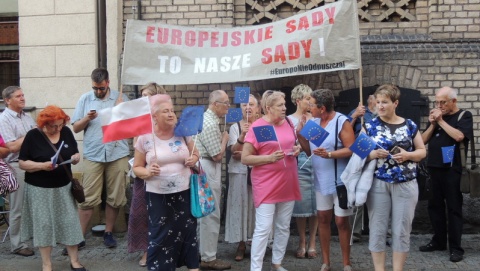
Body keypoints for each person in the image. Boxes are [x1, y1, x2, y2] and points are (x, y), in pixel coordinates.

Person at [133, 94, 200, 271]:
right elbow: (137, 167)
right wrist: (147, 172)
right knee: (160, 234)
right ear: (154, 116)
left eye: (172, 111)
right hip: (157, 196)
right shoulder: (144, 138)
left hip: (184, 193)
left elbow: (195, 152)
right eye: (165, 111)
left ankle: (193, 267)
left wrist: (193, 159)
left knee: (187, 232)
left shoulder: (182, 132)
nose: (171, 114)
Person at [363, 84, 426, 271]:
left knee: (401, 230)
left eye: (385, 102)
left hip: (406, 183)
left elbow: (422, 151)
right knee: (377, 229)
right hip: (378, 183)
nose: (380, 106)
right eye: (378, 102)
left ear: (395, 103)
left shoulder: (409, 125)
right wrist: (372, 154)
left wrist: (408, 155)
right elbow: (358, 153)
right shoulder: (369, 126)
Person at [18, 106, 86, 271]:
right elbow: (22, 163)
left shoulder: (67, 132)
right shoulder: (32, 136)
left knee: (70, 222)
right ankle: (46, 264)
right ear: (44, 124)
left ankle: (74, 261)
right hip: (39, 189)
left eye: (60, 125)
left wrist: (75, 158)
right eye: (54, 126)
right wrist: (42, 165)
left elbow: (74, 152)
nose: (58, 129)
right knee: (44, 225)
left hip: (64, 187)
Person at [71, 68, 130, 251]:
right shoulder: (85, 99)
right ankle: (78, 237)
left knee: (115, 196)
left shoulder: (122, 98)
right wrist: (87, 118)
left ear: (108, 83)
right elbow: (76, 128)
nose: (98, 92)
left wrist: (120, 110)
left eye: (101, 88)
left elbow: (130, 127)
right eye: (95, 88)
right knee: (87, 197)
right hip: (94, 153)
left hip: (117, 152)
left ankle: (109, 232)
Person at [242, 90, 301, 271]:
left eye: (284, 104)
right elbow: (246, 158)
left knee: (283, 226)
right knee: (264, 228)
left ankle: (277, 263)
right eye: (280, 105)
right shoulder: (259, 127)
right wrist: (268, 158)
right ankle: (256, 268)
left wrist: (297, 148)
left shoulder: (289, 122)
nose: (285, 108)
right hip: (266, 183)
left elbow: (292, 143)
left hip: (288, 180)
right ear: (268, 108)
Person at [296, 89, 355, 271]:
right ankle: (326, 262)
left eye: (312, 104)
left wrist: (330, 154)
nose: (308, 107)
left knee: (340, 221)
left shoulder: (340, 121)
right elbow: (309, 151)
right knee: (322, 218)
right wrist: (300, 134)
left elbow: (351, 149)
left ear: (322, 108)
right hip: (320, 180)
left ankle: (346, 263)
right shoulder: (314, 122)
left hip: (339, 180)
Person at [419, 86, 473, 263]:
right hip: (434, 168)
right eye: (437, 102)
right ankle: (439, 241)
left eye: (443, 102)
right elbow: (423, 140)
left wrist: (441, 121)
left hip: (452, 170)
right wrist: (433, 123)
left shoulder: (463, 116)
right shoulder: (436, 118)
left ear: (453, 101)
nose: (439, 105)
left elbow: (459, 137)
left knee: (454, 208)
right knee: (434, 207)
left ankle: (456, 248)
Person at [127, 82, 167, 267]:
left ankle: (162, 248)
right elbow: (137, 147)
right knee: (141, 213)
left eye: (147, 96)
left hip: (162, 175)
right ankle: (145, 250)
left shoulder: (167, 118)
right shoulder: (139, 120)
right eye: (142, 96)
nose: (143, 99)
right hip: (143, 174)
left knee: (161, 214)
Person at [195, 89, 231, 270]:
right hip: (208, 167)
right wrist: (225, 139)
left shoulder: (207, 120)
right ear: (215, 104)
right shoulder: (209, 124)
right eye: (225, 102)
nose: (228, 106)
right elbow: (217, 155)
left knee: (205, 212)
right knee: (211, 213)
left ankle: (202, 253)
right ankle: (208, 258)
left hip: (204, 167)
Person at [0, 86, 36, 256]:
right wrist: (31, 135)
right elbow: (12, 146)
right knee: (17, 208)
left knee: (33, 205)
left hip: (33, 165)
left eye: (23, 95)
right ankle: (17, 244)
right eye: (18, 96)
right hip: (15, 166)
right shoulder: (4, 119)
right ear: (8, 100)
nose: (23, 98)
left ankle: (33, 238)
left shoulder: (27, 117)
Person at [225, 94, 260, 261]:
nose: (248, 107)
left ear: (257, 108)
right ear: (240, 108)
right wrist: (242, 136)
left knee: (255, 207)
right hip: (239, 173)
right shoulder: (235, 127)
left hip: (258, 173)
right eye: (245, 104)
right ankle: (240, 243)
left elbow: (263, 150)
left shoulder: (261, 125)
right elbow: (234, 151)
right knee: (239, 208)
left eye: (251, 104)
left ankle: (255, 242)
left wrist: (247, 154)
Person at [287, 84, 318, 259]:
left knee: (316, 206)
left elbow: (319, 143)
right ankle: (302, 241)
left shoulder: (314, 119)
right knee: (302, 204)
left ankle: (313, 241)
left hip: (316, 163)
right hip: (298, 165)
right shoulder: (289, 120)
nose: (310, 102)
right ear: (298, 101)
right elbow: (287, 142)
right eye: (307, 99)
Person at [347, 94, 377, 243]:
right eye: (378, 100)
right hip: (360, 155)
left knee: (378, 196)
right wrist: (354, 115)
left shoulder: (386, 116)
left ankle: (380, 233)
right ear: (370, 100)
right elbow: (344, 131)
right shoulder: (358, 111)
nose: (380, 104)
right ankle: (354, 232)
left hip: (379, 157)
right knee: (357, 192)